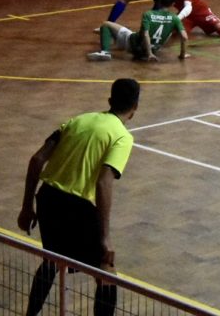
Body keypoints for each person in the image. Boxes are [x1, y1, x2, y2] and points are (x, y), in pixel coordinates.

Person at [18, 78, 140, 316]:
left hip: (47, 199)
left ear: (109, 101)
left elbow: (37, 160)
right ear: (135, 109)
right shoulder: (122, 137)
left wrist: (26, 207)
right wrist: (105, 237)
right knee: (106, 270)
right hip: (75, 206)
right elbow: (104, 182)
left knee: (52, 260)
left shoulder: (78, 120)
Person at [88, 0, 188, 62]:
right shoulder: (175, 18)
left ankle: (105, 52)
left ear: (159, 0)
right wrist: (182, 55)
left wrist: (149, 55)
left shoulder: (148, 14)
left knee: (106, 25)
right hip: (153, 49)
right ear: (172, 4)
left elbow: (145, 35)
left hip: (133, 44)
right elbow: (184, 37)